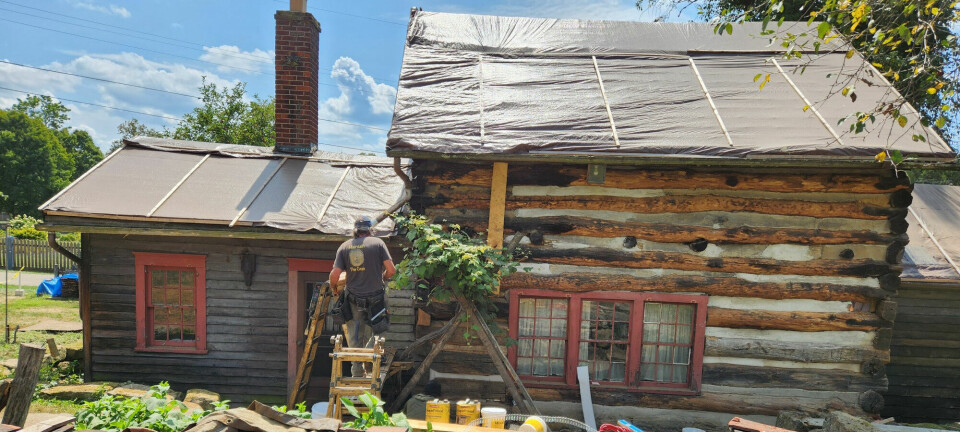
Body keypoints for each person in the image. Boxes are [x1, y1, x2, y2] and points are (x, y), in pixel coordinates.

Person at [329, 215, 396, 377]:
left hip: (353, 299)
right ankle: (368, 353)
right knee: (379, 330)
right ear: (369, 230)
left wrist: (334, 289)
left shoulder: (344, 247)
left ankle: (357, 371)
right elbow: (391, 270)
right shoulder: (378, 243)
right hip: (376, 299)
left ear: (355, 231)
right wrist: (383, 277)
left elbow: (335, 274)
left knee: (355, 334)